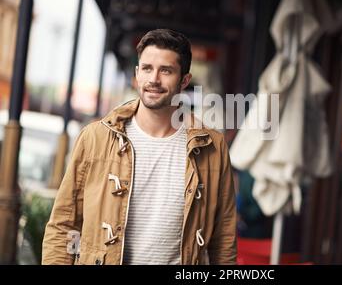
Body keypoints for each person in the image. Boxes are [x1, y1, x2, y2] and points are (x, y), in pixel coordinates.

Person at [42, 29, 237, 265]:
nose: (154, 79)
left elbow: (224, 240)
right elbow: (64, 225)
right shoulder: (96, 138)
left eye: (166, 70)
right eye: (147, 68)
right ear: (137, 74)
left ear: (184, 80)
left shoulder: (212, 147)